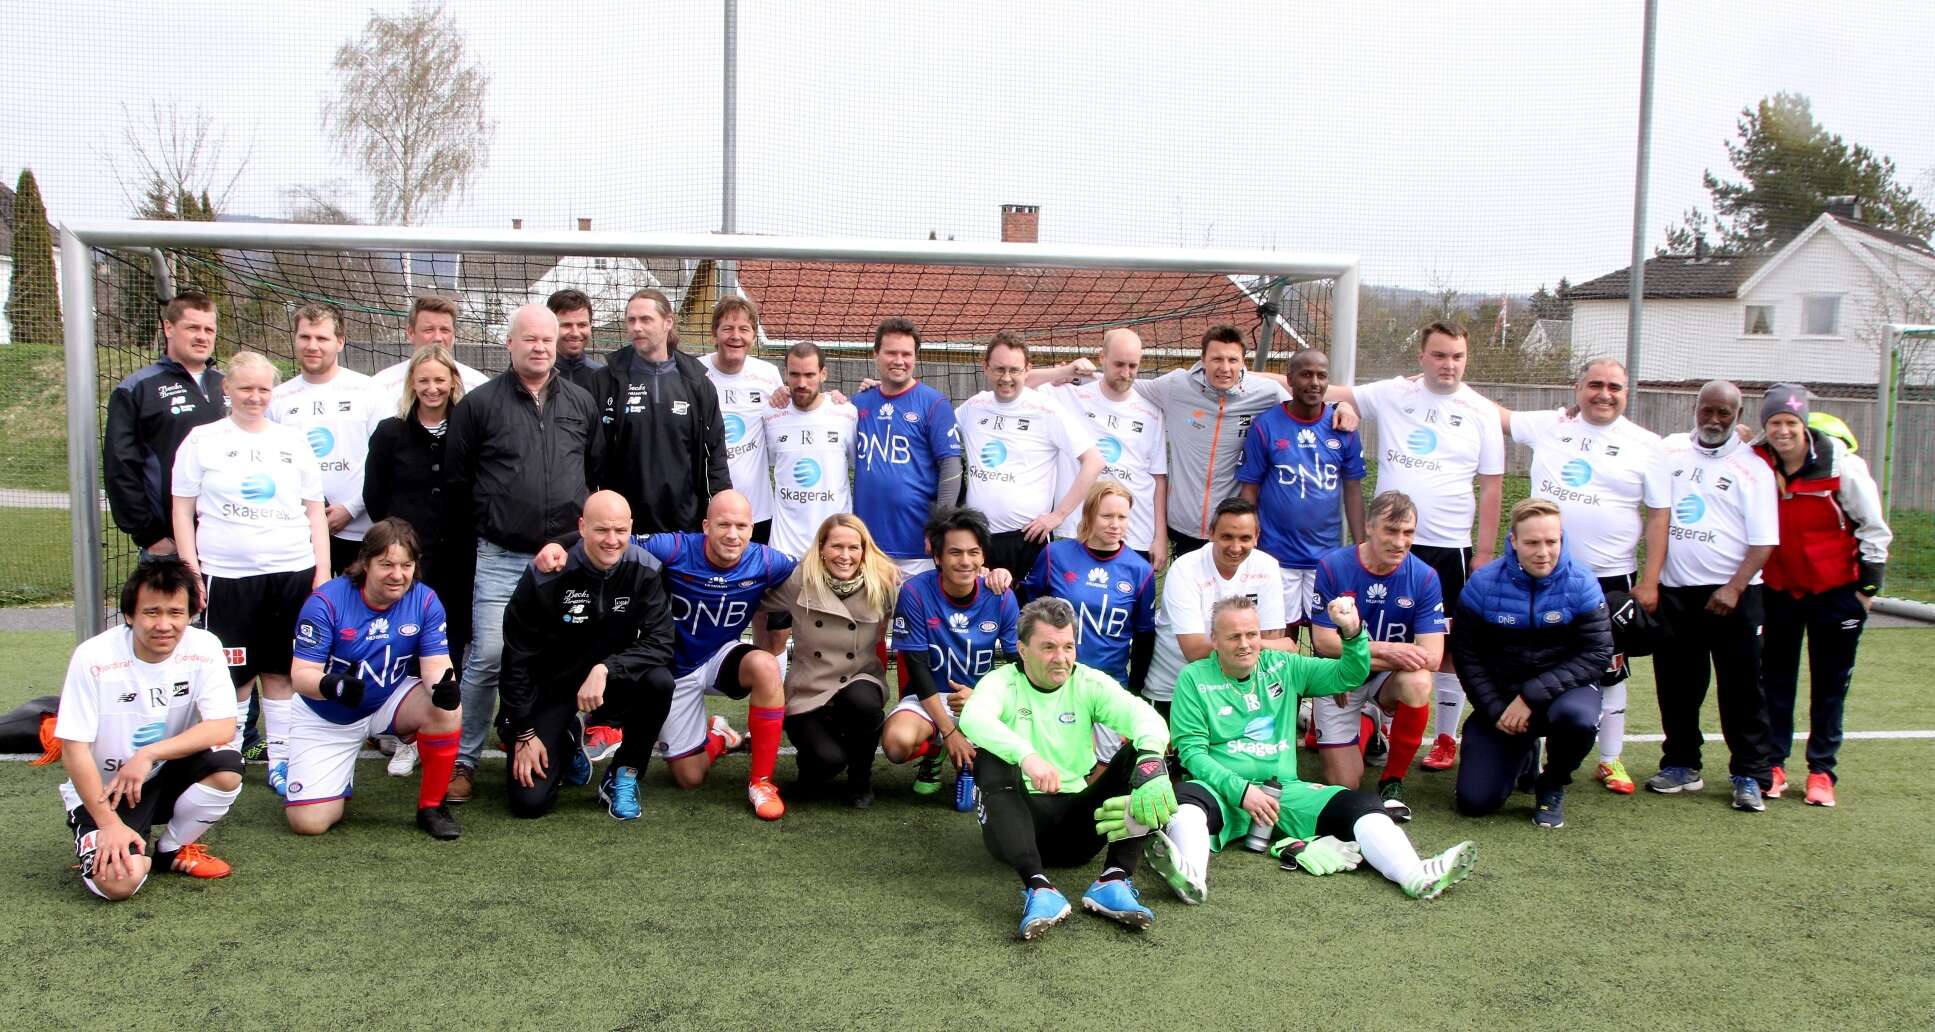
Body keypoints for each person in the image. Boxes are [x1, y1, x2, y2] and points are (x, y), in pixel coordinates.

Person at [1119, 593, 1476, 905]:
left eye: (1252, 634)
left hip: (1282, 791)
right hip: (1219, 790)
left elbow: (1349, 675)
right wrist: (1242, 791)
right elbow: (1192, 753)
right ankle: (1190, 876)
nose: (1245, 644)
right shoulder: (1193, 678)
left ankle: (1415, 876)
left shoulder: (1283, 665)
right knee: (1185, 802)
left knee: (1363, 805)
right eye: (1234, 636)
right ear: (1215, 639)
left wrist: (1353, 633)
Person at [538, 490, 797, 819]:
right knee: (690, 778)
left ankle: (762, 783)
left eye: (741, 526)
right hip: (674, 668)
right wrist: (557, 544)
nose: (733, 535)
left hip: (720, 656)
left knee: (765, 666)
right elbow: (613, 538)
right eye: (723, 525)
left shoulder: (767, 560)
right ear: (706, 526)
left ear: (751, 529)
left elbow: (811, 572)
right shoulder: (676, 547)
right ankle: (718, 736)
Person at [443, 303, 604, 803]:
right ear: (509, 343)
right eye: (529, 338)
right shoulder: (479, 405)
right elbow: (457, 482)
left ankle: (562, 743)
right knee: (489, 657)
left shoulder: (580, 402)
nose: (539, 347)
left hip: (568, 559)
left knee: (566, 658)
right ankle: (463, 761)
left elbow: (594, 472)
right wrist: (495, 522)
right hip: (502, 556)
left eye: (546, 340)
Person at [1327, 321, 1504, 773]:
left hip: (1449, 546)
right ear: (1421, 356)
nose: (1449, 364)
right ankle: (1378, 721)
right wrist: (1342, 404)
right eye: (1440, 355)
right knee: (1376, 628)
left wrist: (1484, 553)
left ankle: (1444, 738)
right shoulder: (1394, 392)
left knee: (1445, 649)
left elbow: (1491, 487)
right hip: (1389, 540)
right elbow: (1328, 390)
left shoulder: (1481, 411)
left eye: (1457, 356)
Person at [1497, 358, 1669, 795]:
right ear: (1578, 388)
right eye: (1595, 385)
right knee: (1534, 662)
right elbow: (1494, 416)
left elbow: (1659, 515)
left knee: (1610, 669)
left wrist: (1650, 579)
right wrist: (1430, 383)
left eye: (1614, 387)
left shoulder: (1647, 445)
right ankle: (1530, 752)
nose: (1604, 394)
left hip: (1610, 579)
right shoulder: (1551, 425)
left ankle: (1609, 760)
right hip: (1544, 576)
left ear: (1627, 393)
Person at [959, 597, 1177, 939]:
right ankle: (1037, 887)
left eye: (1068, 647)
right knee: (990, 755)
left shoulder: (1088, 682)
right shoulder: (1001, 682)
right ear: (1022, 650)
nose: (1060, 658)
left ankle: (1114, 880)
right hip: (1012, 826)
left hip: (1077, 830)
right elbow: (973, 718)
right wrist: (1026, 756)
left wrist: (1151, 761)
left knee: (1142, 753)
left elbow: (1146, 718)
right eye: (1048, 647)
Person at [170, 350, 330, 796]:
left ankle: (281, 759)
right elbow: (182, 511)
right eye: (246, 388)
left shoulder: (292, 441)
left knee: (281, 672)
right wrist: (191, 571)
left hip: (291, 573)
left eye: (263, 389)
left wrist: (322, 572)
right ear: (227, 388)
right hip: (226, 576)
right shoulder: (202, 441)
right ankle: (229, 757)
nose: (255, 397)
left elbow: (314, 511)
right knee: (233, 676)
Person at [55, 559, 243, 900]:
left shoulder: (204, 647)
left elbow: (223, 726)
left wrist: (148, 754)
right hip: (107, 791)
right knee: (118, 884)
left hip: (163, 772)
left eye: (176, 613)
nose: (164, 625)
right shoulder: (93, 656)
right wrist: (109, 824)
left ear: (191, 614)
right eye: (151, 612)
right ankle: (119, 845)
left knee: (227, 765)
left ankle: (172, 848)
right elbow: (73, 750)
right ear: (130, 615)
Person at [497, 492, 676, 820]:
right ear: (581, 527)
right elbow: (516, 657)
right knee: (529, 803)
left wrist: (606, 668)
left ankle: (624, 772)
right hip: (551, 688)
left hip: (608, 685)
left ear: (631, 527)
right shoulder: (547, 573)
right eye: (601, 530)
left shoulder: (646, 570)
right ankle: (567, 743)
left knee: (659, 682)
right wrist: (524, 732)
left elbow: (661, 642)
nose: (612, 540)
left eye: (620, 530)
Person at [1753, 384, 1891, 808]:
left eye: (1791, 423)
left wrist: (1867, 590)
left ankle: (1821, 771)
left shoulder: (1842, 466)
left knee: (1830, 685)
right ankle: (1773, 765)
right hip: (1779, 590)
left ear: (1804, 425)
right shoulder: (1755, 461)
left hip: (1835, 591)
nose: (1782, 431)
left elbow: (1873, 528)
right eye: (1774, 423)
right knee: (1775, 682)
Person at [285, 519, 463, 838]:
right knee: (308, 824)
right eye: (387, 565)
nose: (398, 575)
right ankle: (334, 778)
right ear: (365, 563)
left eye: (406, 565)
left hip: (386, 698)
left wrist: (443, 688)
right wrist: (334, 685)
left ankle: (432, 807)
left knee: (446, 709)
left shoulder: (424, 600)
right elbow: (300, 675)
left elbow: (436, 664)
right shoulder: (326, 602)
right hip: (327, 715)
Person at [1650, 380, 1780, 812]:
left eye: (1724, 412)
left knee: (1742, 690)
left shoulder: (1754, 469)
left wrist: (1734, 587)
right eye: (1707, 410)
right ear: (1695, 408)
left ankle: (1750, 774)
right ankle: (1681, 763)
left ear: (1738, 416)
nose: (1714, 419)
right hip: (1676, 592)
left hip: (1735, 596)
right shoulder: (1670, 450)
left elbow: (1764, 541)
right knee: (1677, 687)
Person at [1450, 499, 1614, 828]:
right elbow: (1466, 655)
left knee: (1578, 719)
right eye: (1532, 542)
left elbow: (1597, 653)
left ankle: (1552, 782)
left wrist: (1530, 696)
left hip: (1563, 695)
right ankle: (1523, 751)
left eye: (1551, 541)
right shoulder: (1483, 584)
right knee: (1475, 802)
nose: (1543, 552)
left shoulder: (1581, 582)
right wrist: (1494, 709)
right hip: (1503, 701)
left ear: (1561, 539)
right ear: (1513, 540)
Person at [364, 343, 472, 777]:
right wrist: (399, 546)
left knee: (451, 643)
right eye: (423, 380)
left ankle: (445, 729)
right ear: (412, 383)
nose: (432, 388)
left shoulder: (467, 429)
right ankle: (406, 736)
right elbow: (375, 497)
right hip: (408, 560)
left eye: (439, 380)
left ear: (452, 382)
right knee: (403, 642)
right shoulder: (390, 433)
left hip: (458, 557)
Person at [1308, 491, 1445, 822]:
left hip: (1383, 678)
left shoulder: (1425, 576)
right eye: (1391, 530)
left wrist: (1363, 655)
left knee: (1418, 681)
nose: (1400, 542)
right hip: (1338, 675)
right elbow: (1324, 643)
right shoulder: (1333, 566)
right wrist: (1390, 649)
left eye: (1408, 532)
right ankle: (1369, 723)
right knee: (1344, 784)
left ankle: (1392, 780)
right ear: (1369, 527)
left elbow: (1432, 657)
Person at [757, 513, 899, 807]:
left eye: (853, 547)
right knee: (827, 763)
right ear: (821, 548)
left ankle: (861, 780)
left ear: (864, 550)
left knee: (863, 702)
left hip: (859, 677)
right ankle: (813, 764)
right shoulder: (800, 580)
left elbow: (925, 599)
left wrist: (983, 576)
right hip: (809, 688)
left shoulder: (883, 581)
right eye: (836, 546)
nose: (845, 556)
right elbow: (754, 599)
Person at [880, 507, 1021, 796]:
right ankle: (935, 752)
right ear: (938, 557)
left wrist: (983, 698)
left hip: (982, 698)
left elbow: (1018, 665)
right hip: (929, 698)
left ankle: (975, 760)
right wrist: (950, 732)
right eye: (955, 553)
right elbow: (918, 669)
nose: (965, 561)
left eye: (973, 552)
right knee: (896, 743)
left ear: (983, 556)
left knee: (1008, 766)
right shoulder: (916, 592)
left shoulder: (1001, 595)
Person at [1021, 481, 1157, 767]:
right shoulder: (1056, 555)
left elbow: (1144, 637)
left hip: (1108, 682)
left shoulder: (1140, 570)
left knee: (1104, 766)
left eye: (1122, 517)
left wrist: (1133, 694)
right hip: (1056, 679)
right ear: (1089, 515)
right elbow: (1028, 611)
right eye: (1107, 516)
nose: (1115, 524)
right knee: (1052, 760)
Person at [1238, 347, 1367, 636]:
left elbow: (1353, 490)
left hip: (1326, 558)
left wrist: (1361, 545)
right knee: (1279, 637)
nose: (1314, 382)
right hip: (1276, 556)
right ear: (1290, 380)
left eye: (1321, 376)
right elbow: (1249, 490)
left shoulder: (1342, 427)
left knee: (1328, 641)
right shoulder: (1266, 426)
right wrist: (1248, 541)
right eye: (1306, 375)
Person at [957, 331, 1104, 581]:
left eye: (1014, 370)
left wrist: (1058, 516)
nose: (1006, 377)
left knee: (1029, 607)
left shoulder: (1046, 410)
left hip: (1027, 540)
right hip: (975, 541)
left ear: (1027, 370)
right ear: (986, 368)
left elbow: (1094, 461)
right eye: (999, 369)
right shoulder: (973, 407)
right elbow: (934, 432)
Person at [594, 287, 730, 535]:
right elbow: (592, 457)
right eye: (631, 320)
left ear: (668, 322)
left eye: (645, 319)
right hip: (622, 529)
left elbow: (716, 455)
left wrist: (721, 511)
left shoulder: (698, 384)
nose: (636, 327)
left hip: (684, 527)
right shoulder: (606, 381)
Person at [104, 289, 226, 561]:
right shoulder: (138, 388)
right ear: (168, 328)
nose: (202, 336)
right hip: (170, 546)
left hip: (227, 543)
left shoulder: (229, 385)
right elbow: (120, 467)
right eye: (192, 327)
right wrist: (150, 535)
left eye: (209, 329)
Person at [270, 302, 386, 575]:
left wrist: (351, 508)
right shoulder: (276, 398)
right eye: (305, 337)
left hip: (359, 531)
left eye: (322, 338)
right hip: (297, 532)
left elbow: (385, 462)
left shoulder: (370, 391)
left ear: (340, 342)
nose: (312, 346)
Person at [1038, 329, 1169, 568]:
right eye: (1119, 364)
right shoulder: (1071, 394)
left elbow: (1158, 477)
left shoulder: (1152, 411)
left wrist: (1160, 537)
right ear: (1102, 357)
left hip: (1134, 533)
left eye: (1132, 366)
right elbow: (1019, 382)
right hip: (1078, 528)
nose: (1126, 373)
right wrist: (1063, 372)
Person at [1142, 497, 1286, 716]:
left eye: (1245, 538)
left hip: (1239, 689)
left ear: (1257, 537)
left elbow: (1274, 647)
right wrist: (1258, 645)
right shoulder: (1185, 569)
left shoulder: (1268, 566)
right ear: (1211, 534)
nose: (1236, 547)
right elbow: (1195, 652)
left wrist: (1262, 645)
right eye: (1227, 537)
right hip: (1175, 689)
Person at [848, 318, 964, 577]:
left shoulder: (934, 403)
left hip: (918, 546)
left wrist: (940, 525)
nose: (899, 361)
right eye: (891, 353)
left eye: (906, 354)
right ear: (876, 354)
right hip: (867, 545)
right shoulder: (858, 404)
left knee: (916, 605)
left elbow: (951, 467)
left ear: (915, 357)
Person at [699, 296, 786, 543]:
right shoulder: (695, 373)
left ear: (753, 337)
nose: (735, 336)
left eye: (744, 329)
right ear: (714, 335)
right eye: (727, 328)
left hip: (757, 511)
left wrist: (832, 397)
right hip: (707, 507)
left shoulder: (768, 374)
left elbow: (791, 414)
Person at [762, 342, 858, 559]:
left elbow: (861, 466)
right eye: (795, 374)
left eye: (809, 375)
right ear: (785, 374)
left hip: (833, 548)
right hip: (784, 550)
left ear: (823, 374)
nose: (801, 383)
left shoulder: (846, 414)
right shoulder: (770, 415)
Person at [370, 295, 490, 396]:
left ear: (454, 334)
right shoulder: (382, 387)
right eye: (429, 330)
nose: (437, 338)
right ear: (411, 333)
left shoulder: (478, 387)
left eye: (444, 330)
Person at [547, 289, 606, 394]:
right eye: (566, 325)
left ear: (590, 327)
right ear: (550, 327)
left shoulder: (603, 377)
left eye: (582, 325)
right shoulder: (537, 376)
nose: (575, 333)